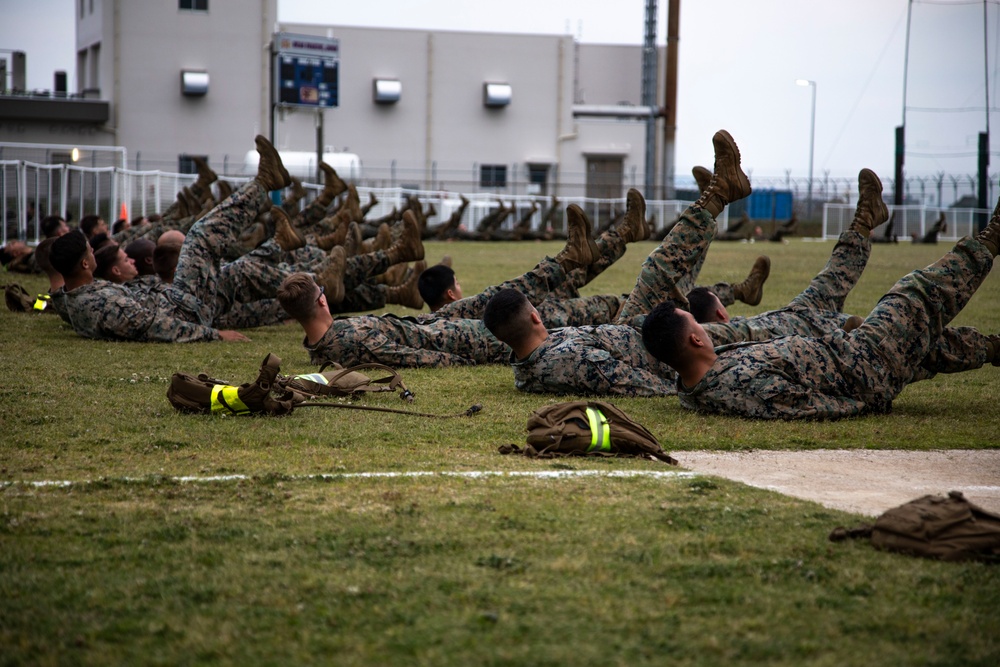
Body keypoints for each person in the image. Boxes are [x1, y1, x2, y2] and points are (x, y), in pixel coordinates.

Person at [640, 192, 1000, 421]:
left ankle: (993, 347)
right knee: (913, 292)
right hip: (862, 364)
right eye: (697, 325)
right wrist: (864, 401)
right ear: (696, 341)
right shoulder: (735, 382)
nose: (706, 327)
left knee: (927, 347)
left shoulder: (696, 379)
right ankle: (991, 239)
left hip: (846, 353)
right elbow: (801, 405)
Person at [483, 130, 766, 397]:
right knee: (659, 270)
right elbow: (623, 380)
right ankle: (718, 194)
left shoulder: (538, 357)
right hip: (655, 345)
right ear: (535, 317)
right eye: (536, 310)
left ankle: (717, 195)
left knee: (664, 271)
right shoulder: (560, 361)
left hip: (632, 329)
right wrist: (683, 385)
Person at [48, 135, 343, 343]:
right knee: (198, 237)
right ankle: (265, 182)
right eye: (90, 249)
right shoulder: (97, 303)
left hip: (181, 302)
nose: (94, 249)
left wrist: (54, 284)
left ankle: (320, 286)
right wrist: (214, 335)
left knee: (239, 271)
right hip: (183, 311)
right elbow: (151, 326)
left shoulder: (75, 298)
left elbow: (60, 295)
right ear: (86, 262)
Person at [278, 207, 614, 368]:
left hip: (434, 325)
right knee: (526, 311)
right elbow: (406, 356)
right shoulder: (344, 339)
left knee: (497, 294)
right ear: (322, 302)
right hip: (453, 338)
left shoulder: (323, 344)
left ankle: (569, 258)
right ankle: (576, 264)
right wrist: (458, 363)